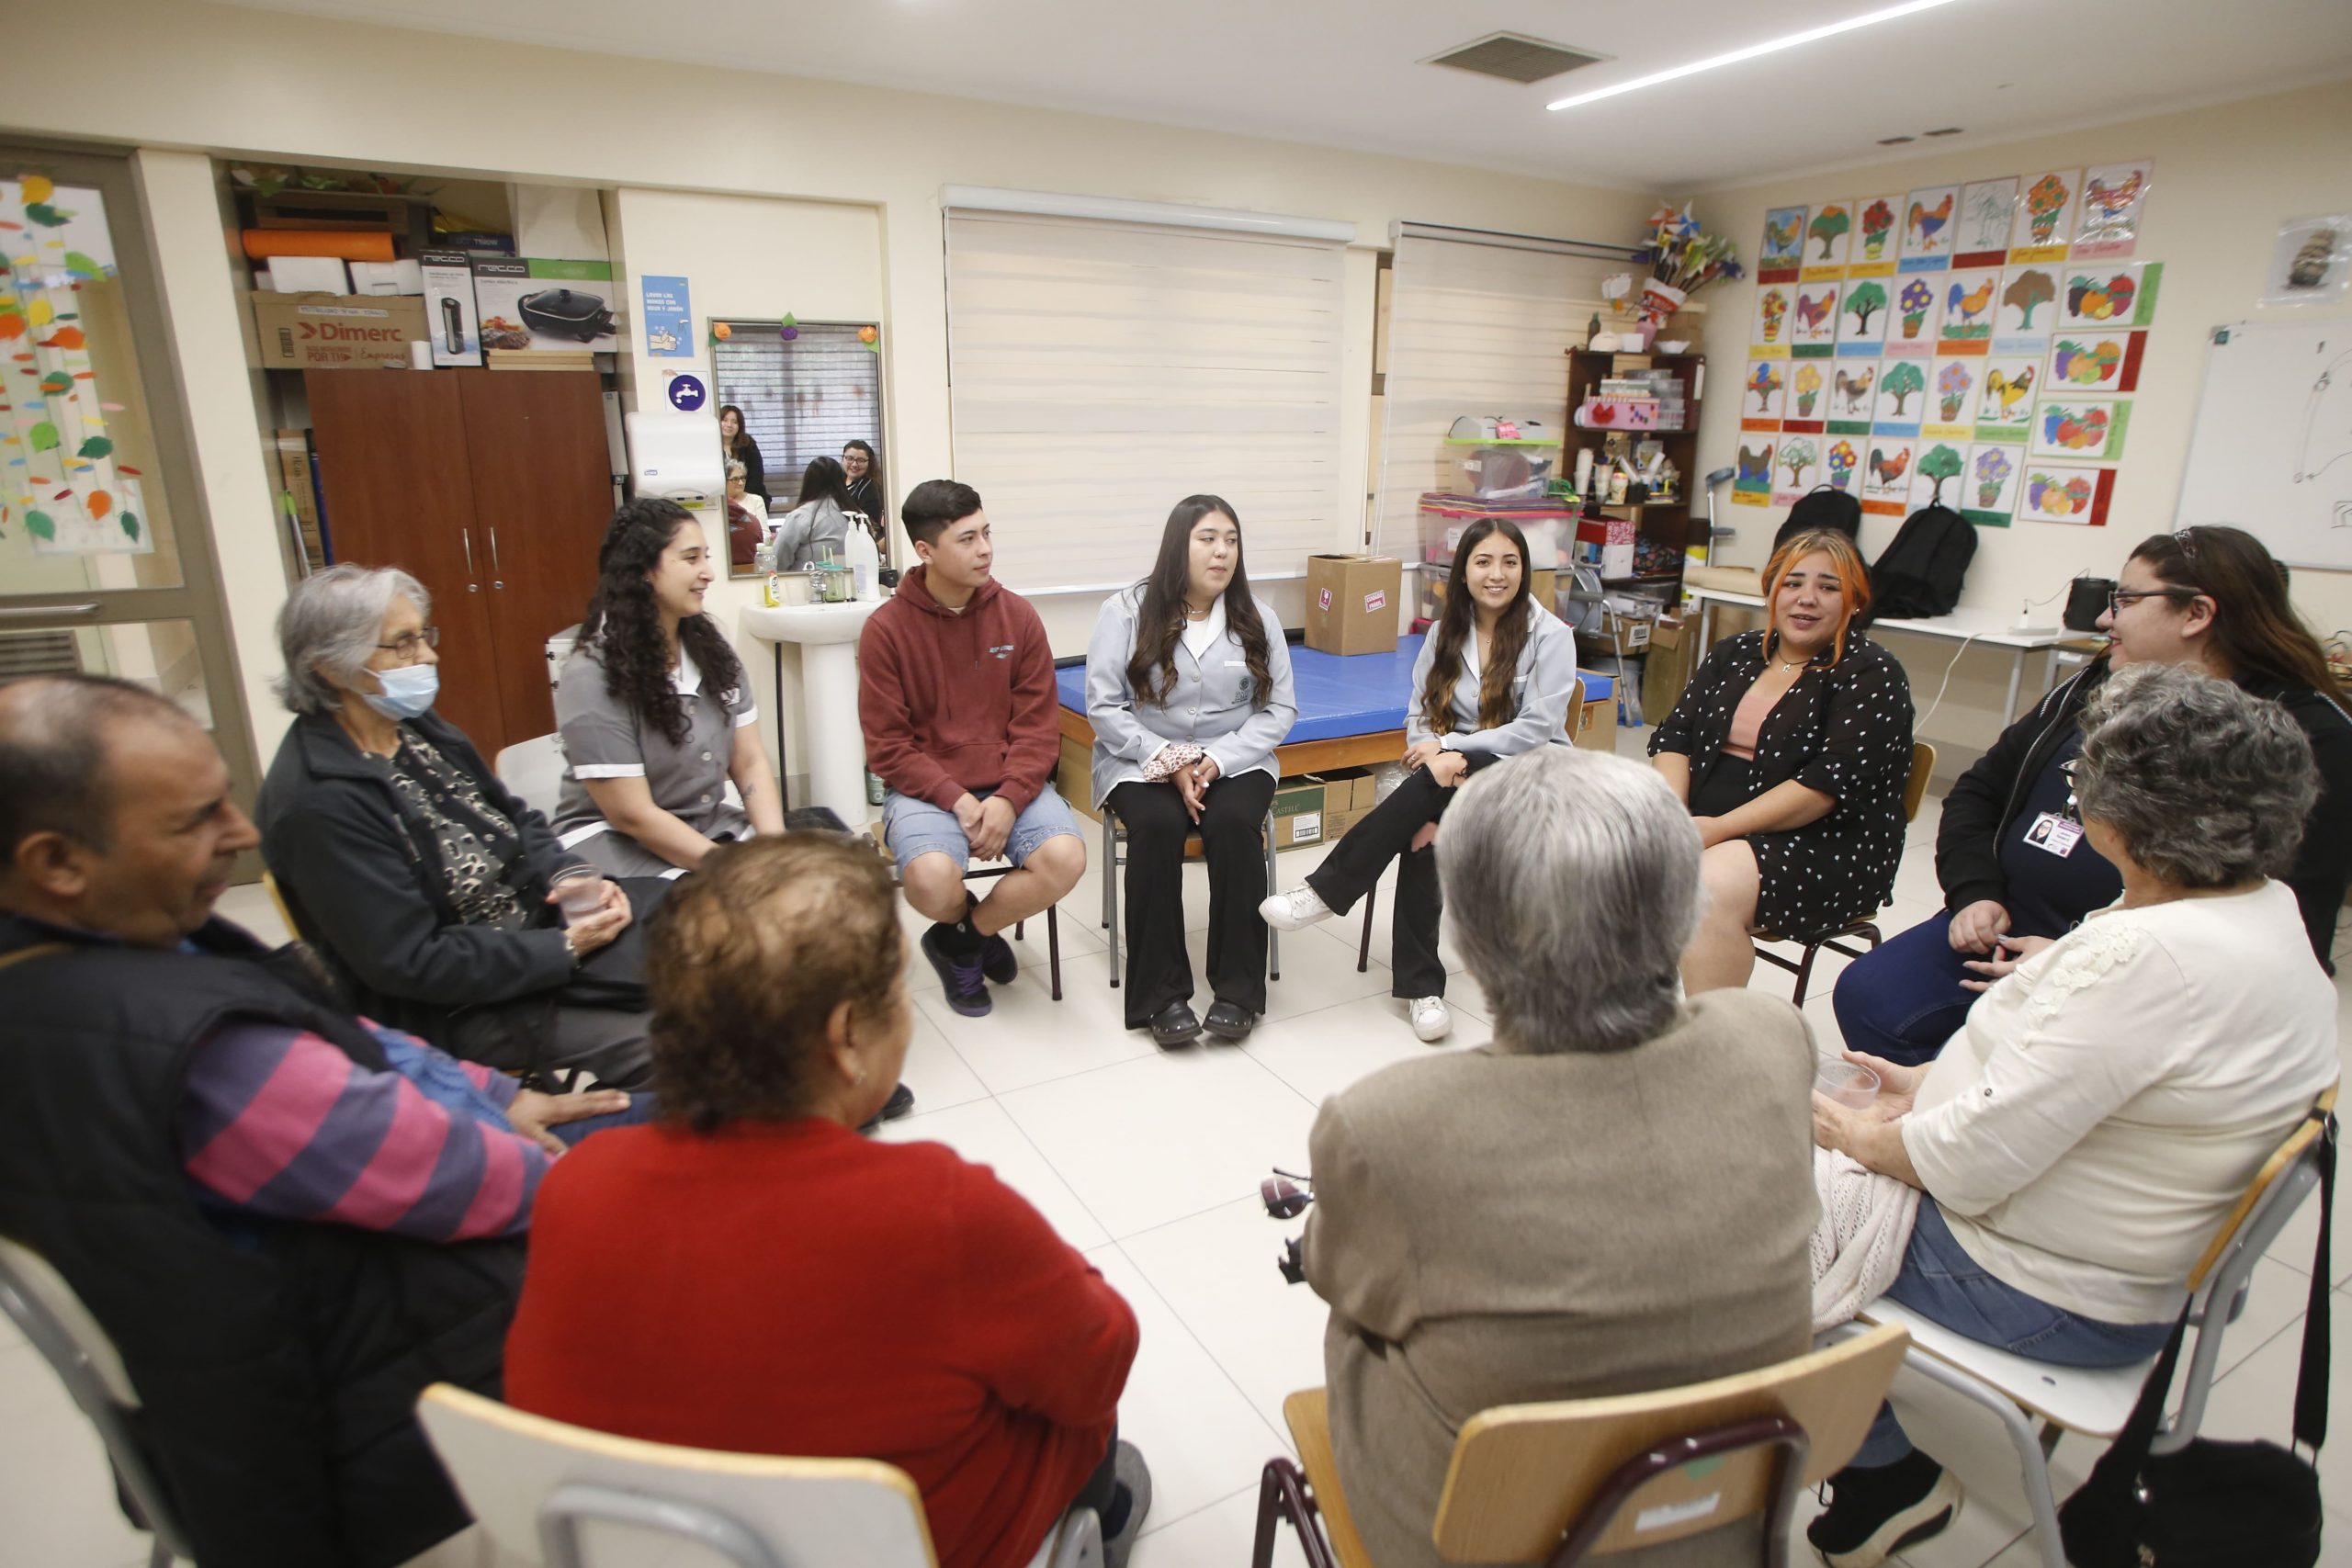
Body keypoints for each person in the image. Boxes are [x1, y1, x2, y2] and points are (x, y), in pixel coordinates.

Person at [0, 675, 636, 1568]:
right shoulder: (199, 1056)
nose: (244, 832)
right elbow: (470, 1177)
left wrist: (492, 1093)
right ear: (56, 862)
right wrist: (584, 1181)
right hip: (388, 1389)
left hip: (275, 1350)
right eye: (195, 821)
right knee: (695, 1167)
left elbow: (345, 1034)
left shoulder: (89, 962)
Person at [1806, 664, 2338, 1567]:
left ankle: (1882, 1480)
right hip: (2129, 1255)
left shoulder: (2146, 957)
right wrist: (1926, 1086)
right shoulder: (2265, 910)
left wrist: (1850, 1134)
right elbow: (2085, 1084)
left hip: (2054, 1292)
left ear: (2112, 821)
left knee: (1734, 1209)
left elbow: (1964, 1165)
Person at [504, 834, 1151, 1568]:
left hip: (638, 1541)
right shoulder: (940, 1212)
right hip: (900, 1544)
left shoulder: (574, 1182)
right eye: (897, 994)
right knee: (1083, 1417)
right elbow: (1102, 1359)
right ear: (846, 1038)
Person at [1300, 747, 1817, 1568]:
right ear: (1686, 909)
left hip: (1488, 1533)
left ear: (1467, 937)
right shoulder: (1775, 1038)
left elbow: (1337, 1275)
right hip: (1723, 1511)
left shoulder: (1388, 1123)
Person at [1835, 525, 2352, 1066]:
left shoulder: (2301, 737)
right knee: (1870, 998)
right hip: (2006, 922)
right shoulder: (2098, 680)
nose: (2106, 617)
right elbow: (1980, 791)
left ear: (2196, 614)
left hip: (2137, 970)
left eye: (2125, 599)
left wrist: (2074, 960)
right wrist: (1975, 892)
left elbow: (2281, 929)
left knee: (1997, 1065)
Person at [258, 564, 659, 1089]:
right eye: (402, 644)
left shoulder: (411, 726)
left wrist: (568, 874)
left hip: (538, 928)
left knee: (720, 938)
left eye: (423, 635)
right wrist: (562, 950)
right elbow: (410, 961)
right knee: (677, 1041)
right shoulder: (320, 803)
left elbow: (513, 817)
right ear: (331, 670)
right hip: (461, 1004)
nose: (427, 655)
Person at [1260, 519, 1576, 1043]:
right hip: (1450, 775)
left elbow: (1538, 728)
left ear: (1524, 569)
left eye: (1509, 562)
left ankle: (1325, 892)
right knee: (1426, 833)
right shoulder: (1444, 631)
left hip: (1530, 772)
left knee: (1434, 791)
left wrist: (1452, 748)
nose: (1496, 574)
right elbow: (1421, 713)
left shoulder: (1551, 635)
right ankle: (1421, 992)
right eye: (1483, 562)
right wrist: (1437, 746)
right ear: (1464, 571)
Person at [1649, 528, 1915, 993]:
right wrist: (1674, 818)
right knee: (1590, 853)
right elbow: (1675, 736)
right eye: (1793, 583)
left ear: (1854, 603)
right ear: (1771, 591)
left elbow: (1825, 785)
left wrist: (1715, 829)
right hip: (1709, 823)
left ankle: (1717, 1051)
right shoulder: (1736, 652)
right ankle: (1611, 1026)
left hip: (1824, 842)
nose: (1806, 599)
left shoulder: (1872, 672)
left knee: (1704, 885)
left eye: (1828, 587)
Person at [858, 479, 1086, 1018]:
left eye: (987, 533)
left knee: (1066, 859)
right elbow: (888, 748)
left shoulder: (1018, 617)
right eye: (966, 539)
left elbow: (1037, 730)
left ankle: (960, 940)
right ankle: (972, 932)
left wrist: (1007, 800)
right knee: (931, 881)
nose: (985, 549)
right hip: (928, 790)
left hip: (1012, 781)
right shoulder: (886, 631)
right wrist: (959, 800)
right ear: (925, 550)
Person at [1085, 495, 1297, 1045]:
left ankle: (1238, 991)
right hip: (1139, 757)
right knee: (1156, 827)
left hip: (1234, 757)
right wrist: (1171, 758)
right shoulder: (1126, 611)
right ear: (1178, 544)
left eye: (1230, 539)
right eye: (1207, 538)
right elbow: (1105, 707)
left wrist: (1219, 759)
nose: (1221, 551)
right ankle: (1161, 996)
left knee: (1232, 826)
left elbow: (1279, 711)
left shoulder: (1258, 617)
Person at [551, 498, 787, 878]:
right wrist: (734, 872)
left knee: (808, 887)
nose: (709, 573)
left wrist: (778, 851)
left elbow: (749, 763)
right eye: (691, 558)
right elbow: (633, 815)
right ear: (644, 569)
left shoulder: (712, 653)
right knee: (732, 918)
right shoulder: (593, 675)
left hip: (703, 826)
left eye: (707, 557)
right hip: (617, 843)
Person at [771, 453, 856, 570]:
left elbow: (778, 559)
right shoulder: (854, 513)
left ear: (808, 482)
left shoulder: (801, 516)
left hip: (807, 582)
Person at [843, 437, 888, 547]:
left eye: (861, 460)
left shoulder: (870, 487)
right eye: (849, 458)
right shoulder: (838, 482)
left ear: (869, 462)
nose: (854, 464)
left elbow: (871, 526)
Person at [719, 402, 766, 506]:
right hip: (721, 501)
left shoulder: (748, 444)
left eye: (734, 422)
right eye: (725, 420)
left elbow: (756, 477)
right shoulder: (711, 447)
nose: (729, 425)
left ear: (739, 425)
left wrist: (742, 499)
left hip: (749, 497)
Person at [725, 457, 766, 570]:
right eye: (735, 479)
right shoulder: (721, 505)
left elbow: (765, 534)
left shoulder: (756, 500)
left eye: (743, 478)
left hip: (754, 558)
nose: (740, 482)